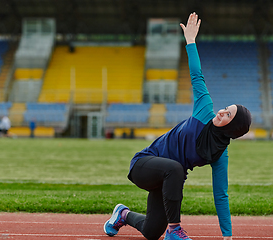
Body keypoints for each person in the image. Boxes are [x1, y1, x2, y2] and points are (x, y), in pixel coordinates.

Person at [103, 12, 251, 240]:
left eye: (228, 114)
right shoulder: (205, 109)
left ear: (232, 128)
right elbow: (197, 76)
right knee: (175, 169)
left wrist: (227, 236)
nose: (222, 111)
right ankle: (174, 230)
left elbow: (221, 195)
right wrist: (190, 41)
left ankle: (122, 214)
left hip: (167, 179)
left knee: (152, 232)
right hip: (143, 164)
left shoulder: (220, 153)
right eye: (226, 107)